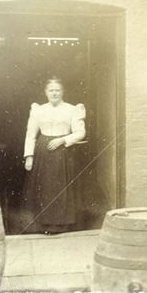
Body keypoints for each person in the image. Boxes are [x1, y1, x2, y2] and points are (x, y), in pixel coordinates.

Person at [23, 77, 86, 234]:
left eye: (57, 90)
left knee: (61, 187)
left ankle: (62, 224)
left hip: (63, 152)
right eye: (51, 90)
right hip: (43, 151)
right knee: (44, 187)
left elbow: (80, 132)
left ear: (63, 91)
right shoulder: (39, 110)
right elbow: (30, 134)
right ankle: (44, 223)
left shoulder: (72, 109)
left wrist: (63, 140)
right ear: (46, 92)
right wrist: (29, 156)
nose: (54, 93)